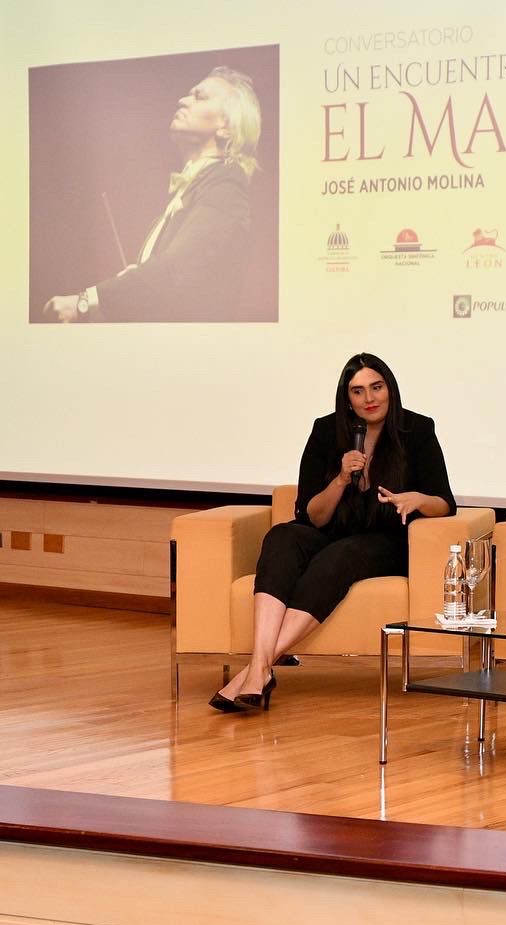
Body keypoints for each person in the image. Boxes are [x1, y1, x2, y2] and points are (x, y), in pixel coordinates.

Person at [209, 353, 456, 712]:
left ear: (390, 389)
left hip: (386, 541)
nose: (369, 399)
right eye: (358, 391)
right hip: (331, 531)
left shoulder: (416, 430)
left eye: (377, 387)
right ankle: (261, 671)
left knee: (340, 556)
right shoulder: (326, 431)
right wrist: (341, 479)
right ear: (347, 399)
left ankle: (255, 668)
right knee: (281, 537)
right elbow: (311, 513)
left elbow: (445, 503)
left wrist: (416, 499)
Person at [42, 66, 261, 323]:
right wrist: (137, 283)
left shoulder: (227, 184)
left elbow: (178, 269)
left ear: (226, 128)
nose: (182, 100)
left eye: (199, 97)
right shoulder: (196, 188)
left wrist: (83, 302)